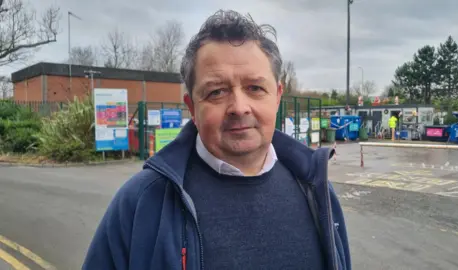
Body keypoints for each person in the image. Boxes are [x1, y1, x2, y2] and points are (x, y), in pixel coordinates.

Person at [83, 10, 351, 270]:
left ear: (278, 96)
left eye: (255, 88)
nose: (239, 107)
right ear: (192, 107)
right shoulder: (141, 202)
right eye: (217, 92)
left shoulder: (316, 190)